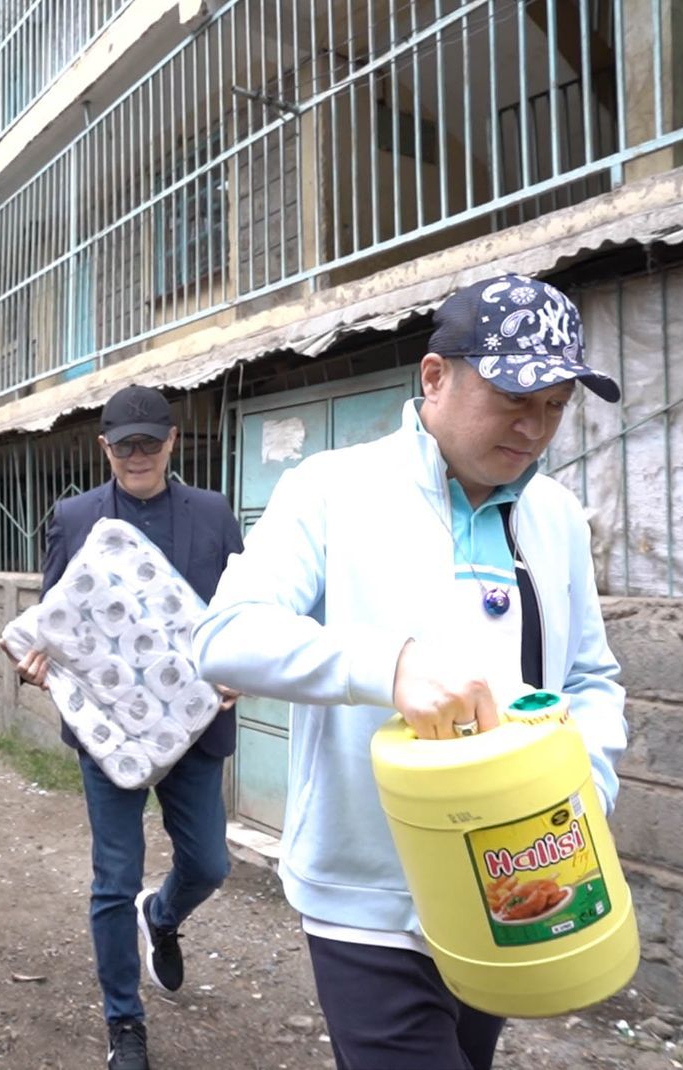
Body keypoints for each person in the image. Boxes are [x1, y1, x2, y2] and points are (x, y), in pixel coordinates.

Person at [191, 275, 630, 1070]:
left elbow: (591, 678)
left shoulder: (557, 518)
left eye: (555, 406)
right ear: (434, 376)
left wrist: (587, 785)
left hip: (510, 883)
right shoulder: (331, 489)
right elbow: (225, 636)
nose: (534, 428)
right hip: (369, 898)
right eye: (512, 397)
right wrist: (387, 664)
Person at [15, 385, 245, 1070]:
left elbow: (244, 611)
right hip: (111, 733)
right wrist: (39, 664)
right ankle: (124, 1023)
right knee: (114, 879)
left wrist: (240, 665)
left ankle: (162, 916)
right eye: (124, 446)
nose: (137, 456)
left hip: (194, 726)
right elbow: (54, 621)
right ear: (104, 448)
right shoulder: (75, 517)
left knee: (208, 864)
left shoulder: (213, 513)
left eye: (149, 443)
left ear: (172, 441)